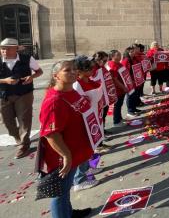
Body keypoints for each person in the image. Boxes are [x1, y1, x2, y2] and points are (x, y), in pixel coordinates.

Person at [39, 59, 93, 218]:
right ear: (56, 76)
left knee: (66, 188)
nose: (73, 72)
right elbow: (50, 133)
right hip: (63, 157)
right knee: (60, 193)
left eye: (74, 69)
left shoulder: (71, 92)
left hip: (75, 151)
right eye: (67, 70)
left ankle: (67, 212)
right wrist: (66, 155)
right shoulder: (54, 101)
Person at [0, 38, 43, 159]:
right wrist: (5, 81)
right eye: (2, 49)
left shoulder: (27, 58)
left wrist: (31, 77)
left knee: (24, 119)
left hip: (24, 94)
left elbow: (39, 71)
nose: (4, 51)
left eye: (8, 49)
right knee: (7, 121)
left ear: (16, 49)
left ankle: (23, 145)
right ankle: (19, 139)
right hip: (4, 95)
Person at [71, 56, 103, 192]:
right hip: (84, 120)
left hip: (93, 117)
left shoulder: (89, 80)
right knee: (83, 149)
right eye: (88, 68)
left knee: (90, 147)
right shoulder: (77, 84)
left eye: (92, 67)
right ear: (79, 70)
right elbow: (78, 104)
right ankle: (79, 180)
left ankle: (88, 167)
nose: (92, 70)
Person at [107, 50, 128, 127]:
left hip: (121, 88)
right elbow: (115, 80)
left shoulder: (118, 63)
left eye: (120, 54)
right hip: (118, 89)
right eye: (118, 55)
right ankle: (116, 121)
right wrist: (123, 87)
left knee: (120, 104)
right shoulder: (113, 65)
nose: (120, 56)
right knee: (117, 105)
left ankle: (119, 118)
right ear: (113, 56)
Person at [121, 47, 141, 118]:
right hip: (129, 81)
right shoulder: (126, 61)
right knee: (130, 96)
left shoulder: (134, 59)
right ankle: (130, 111)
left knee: (134, 95)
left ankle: (133, 108)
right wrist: (129, 80)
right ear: (127, 52)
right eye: (131, 52)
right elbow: (124, 72)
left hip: (134, 80)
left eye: (133, 51)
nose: (133, 53)